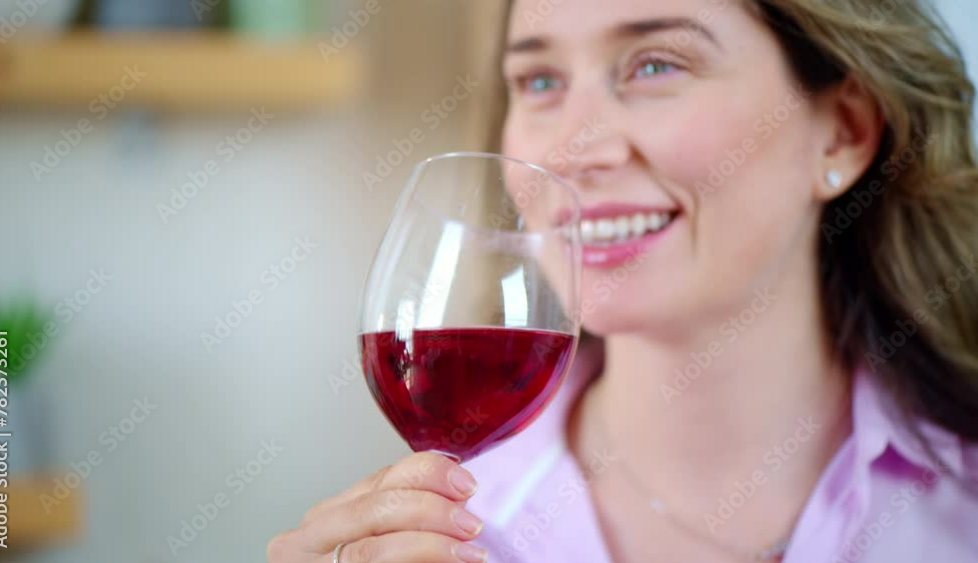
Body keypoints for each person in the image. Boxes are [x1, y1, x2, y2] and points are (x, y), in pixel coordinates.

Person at [269, 0, 978, 561]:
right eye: (539, 81)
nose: (573, 149)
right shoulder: (458, 530)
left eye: (655, 65)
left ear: (843, 132)